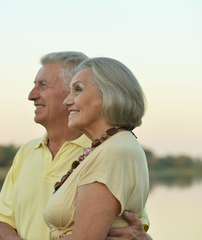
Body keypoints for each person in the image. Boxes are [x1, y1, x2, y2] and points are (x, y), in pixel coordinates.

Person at [0, 52, 151, 240]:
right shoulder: (27, 153)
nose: (31, 96)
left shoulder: (111, 151)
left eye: (43, 85)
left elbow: (128, 226)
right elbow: (2, 222)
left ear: (107, 94)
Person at [43, 57, 150, 240]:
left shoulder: (113, 152)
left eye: (77, 89)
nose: (67, 101)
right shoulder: (109, 147)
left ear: (109, 93)